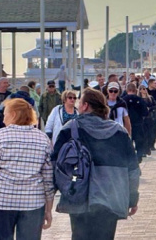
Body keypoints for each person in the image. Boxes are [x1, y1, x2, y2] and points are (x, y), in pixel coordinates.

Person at [52, 89, 140, 239]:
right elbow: (132, 169)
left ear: (85, 106)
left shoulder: (71, 128)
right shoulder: (120, 132)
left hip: (79, 197)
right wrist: (132, 198)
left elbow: (55, 165)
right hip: (111, 198)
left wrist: (51, 196)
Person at [0, 98, 54, 239]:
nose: (3, 119)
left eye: (5, 114)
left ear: (14, 114)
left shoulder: (0, 136)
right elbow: (48, 179)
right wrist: (48, 209)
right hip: (32, 203)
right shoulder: (43, 139)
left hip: (1, 202)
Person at [123, 84, 149, 162]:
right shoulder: (140, 100)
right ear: (135, 90)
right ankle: (139, 156)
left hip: (126, 125)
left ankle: (130, 157)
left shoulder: (123, 100)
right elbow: (145, 112)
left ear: (127, 90)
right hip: (138, 123)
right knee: (139, 141)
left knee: (128, 141)